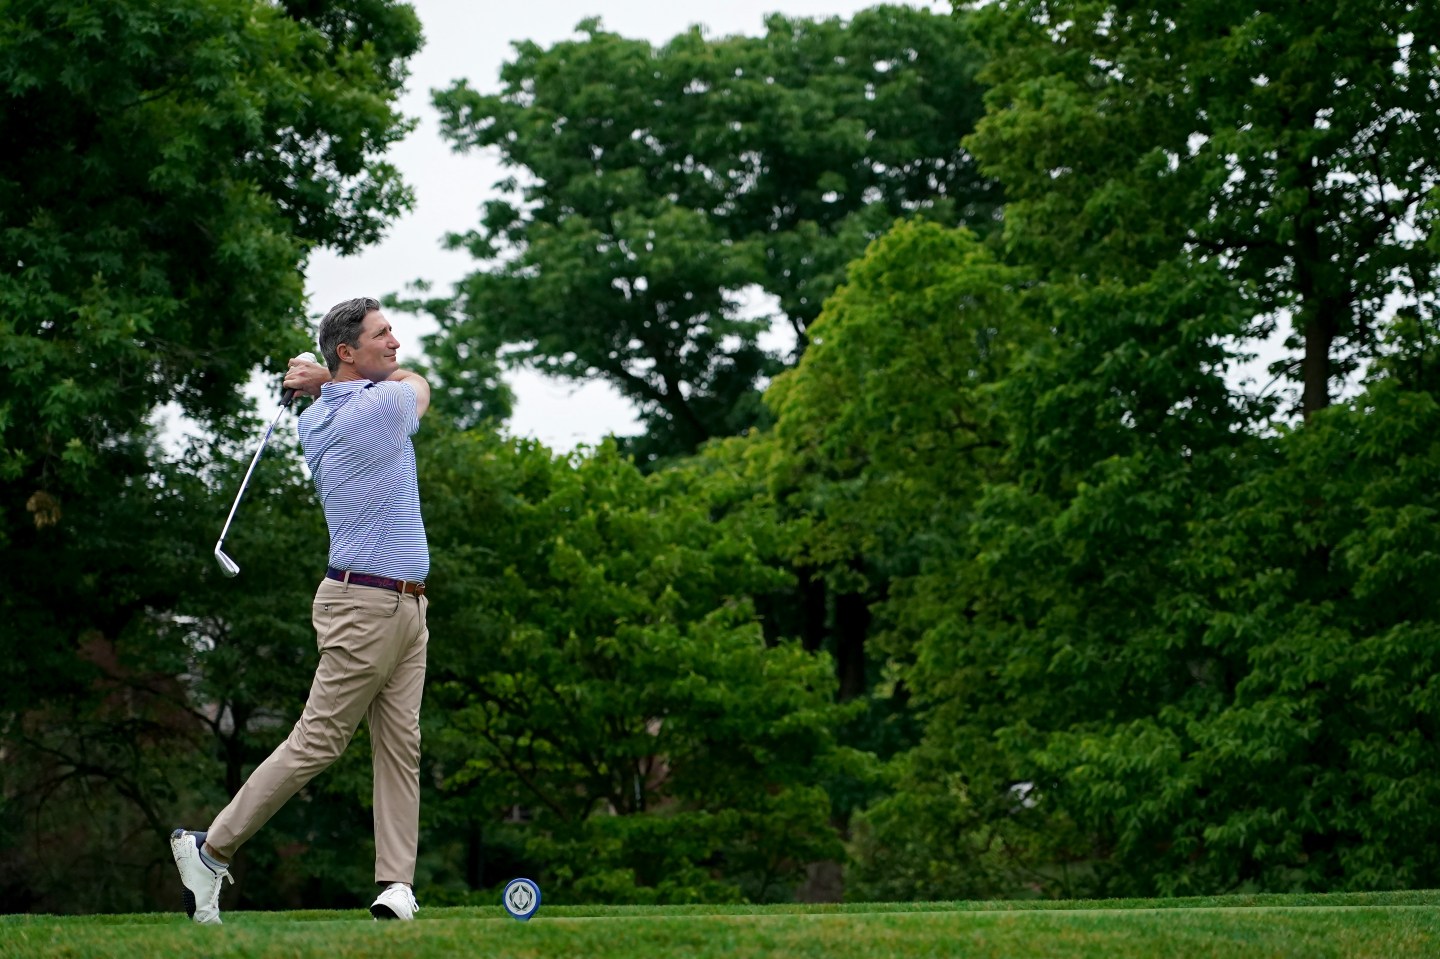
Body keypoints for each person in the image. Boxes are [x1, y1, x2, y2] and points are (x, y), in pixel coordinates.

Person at [170, 297, 432, 923]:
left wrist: (322, 381)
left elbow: (357, 387)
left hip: (405, 605)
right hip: (364, 605)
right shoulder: (380, 409)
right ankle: (211, 848)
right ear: (348, 352)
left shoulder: (318, 414)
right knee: (318, 741)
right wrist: (329, 382)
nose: (395, 342)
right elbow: (417, 386)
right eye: (381, 334)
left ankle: (396, 884)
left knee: (401, 746)